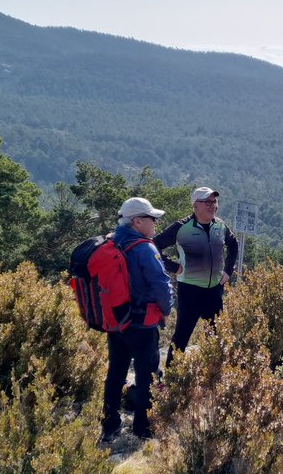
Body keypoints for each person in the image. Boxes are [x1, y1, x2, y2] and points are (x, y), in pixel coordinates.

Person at [101, 197, 175, 441]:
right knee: (148, 375)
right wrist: (167, 309)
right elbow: (161, 284)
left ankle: (110, 424)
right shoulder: (144, 247)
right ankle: (143, 428)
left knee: (116, 371)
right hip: (143, 323)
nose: (155, 223)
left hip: (116, 319)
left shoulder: (110, 242)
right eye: (152, 218)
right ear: (137, 221)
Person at [153, 186, 238, 367]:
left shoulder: (220, 226)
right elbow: (154, 245)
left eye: (214, 201)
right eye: (207, 202)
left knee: (215, 337)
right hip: (190, 291)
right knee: (181, 337)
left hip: (214, 291)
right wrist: (173, 266)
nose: (212, 205)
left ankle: (214, 376)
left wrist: (228, 271)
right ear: (195, 205)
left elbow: (234, 244)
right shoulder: (181, 227)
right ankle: (172, 379)